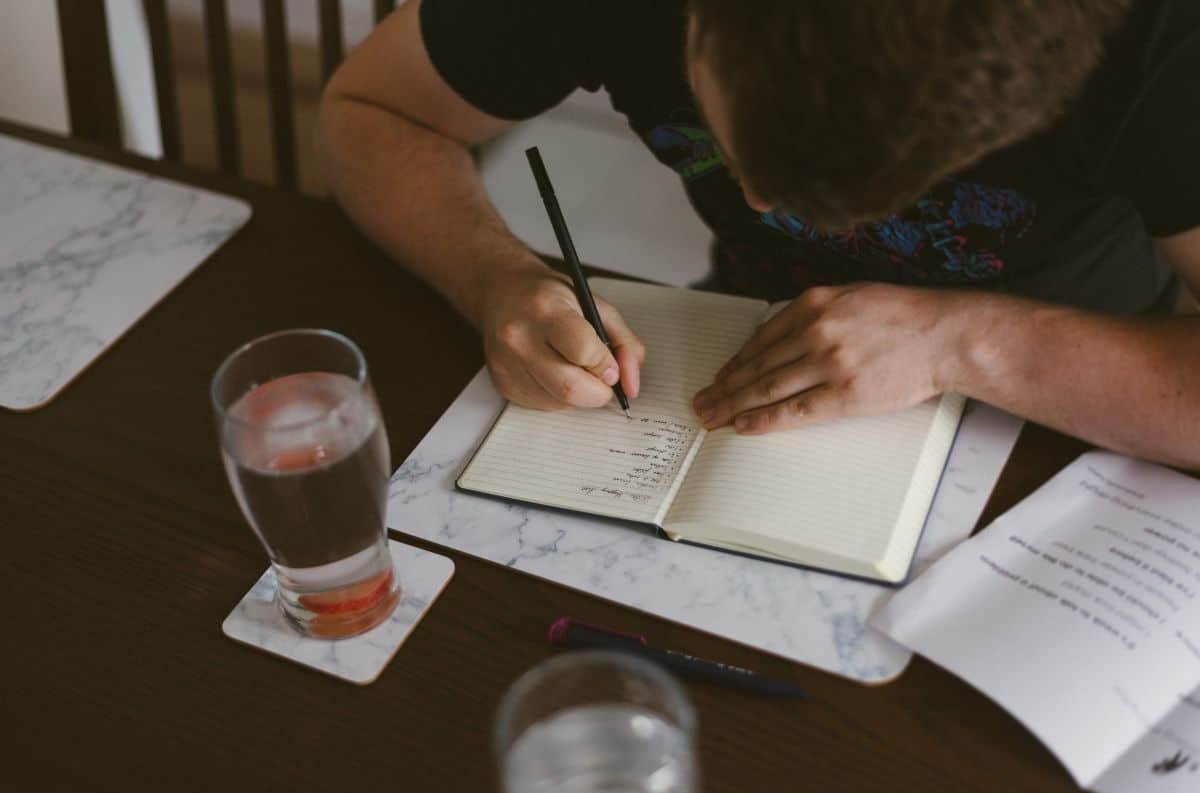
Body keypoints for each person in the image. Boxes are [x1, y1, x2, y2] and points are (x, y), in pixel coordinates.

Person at [316, 0, 1200, 468]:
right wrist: (493, 275)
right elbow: (370, 110)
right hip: (736, 346)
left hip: (1087, 407)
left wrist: (961, 341)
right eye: (735, 152)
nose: (767, 213)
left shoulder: (1164, 38)